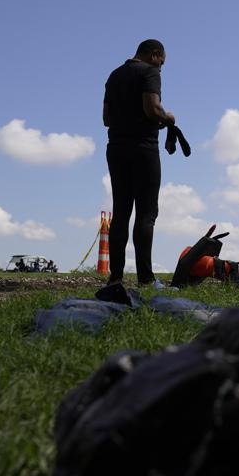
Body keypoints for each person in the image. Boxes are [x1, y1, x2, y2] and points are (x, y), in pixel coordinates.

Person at [103, 39, 179, 289]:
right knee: (146, 213)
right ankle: (146, 278)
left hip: (115, 148)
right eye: (162, 62)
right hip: (143, 149)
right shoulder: (150, 72)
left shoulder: (114, 75)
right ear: (154, 54)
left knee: (121, 211)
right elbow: (151, 108)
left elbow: (106, 118)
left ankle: (115, 278)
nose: (162, 67)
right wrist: (168, 117)